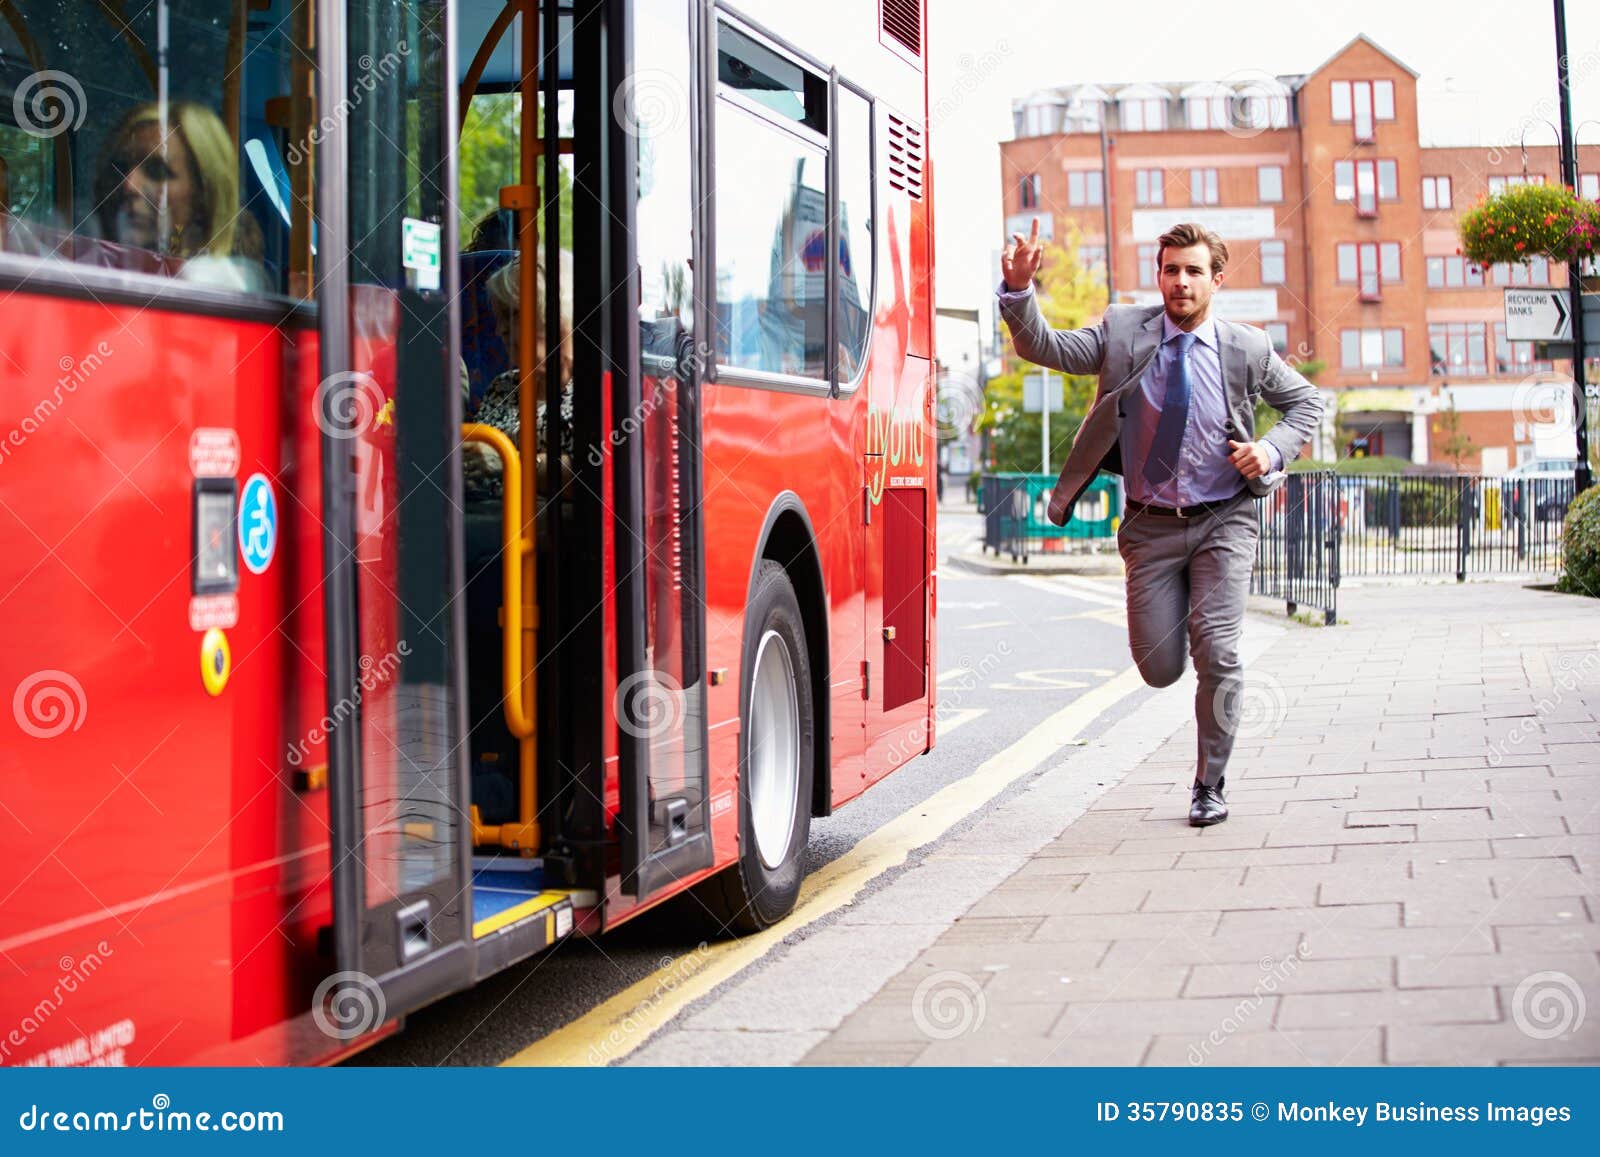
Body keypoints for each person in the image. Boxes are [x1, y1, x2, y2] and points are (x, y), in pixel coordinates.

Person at [998, 220, 1324, 827]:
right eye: (1171, 269)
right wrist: (1019, 294)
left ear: (1216, 280)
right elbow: (1049, 348)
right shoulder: (1124, 331)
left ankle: (1209, 783)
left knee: (1219, 651)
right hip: (1150, 526)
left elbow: (1306, 403)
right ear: (1159, 275)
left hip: (1225, 518)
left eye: (1194, 271)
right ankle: (1178, 665)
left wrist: (1271, 450)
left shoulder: (1246, 349)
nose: (1181, 282)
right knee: (1160, 667)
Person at [94, 100, 265, 290]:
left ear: (203, 195)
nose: (129, 186)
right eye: (121, 167)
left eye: (158, 171)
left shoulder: (214, 288)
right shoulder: (92, 267)